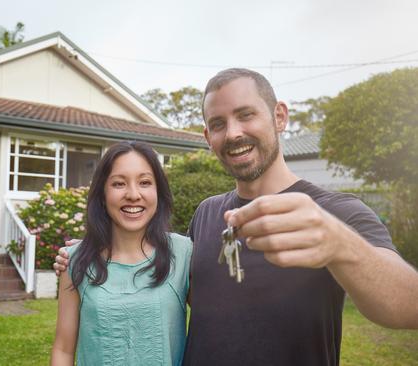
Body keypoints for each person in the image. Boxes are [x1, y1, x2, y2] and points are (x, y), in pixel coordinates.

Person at [54, 68, 418, 365]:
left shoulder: (337, 211)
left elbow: (408, 307)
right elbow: (181, 286)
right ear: (207, 136)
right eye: (217, 123)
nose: (233, 133)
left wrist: (342, 245)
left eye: (246, 115)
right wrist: (89, 254)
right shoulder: (209, 213)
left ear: (279, 116)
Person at [51, 141, 192, 366]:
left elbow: (217, 324)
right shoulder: (74, 260)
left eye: (145, 182)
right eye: (119, 184)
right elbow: (63, 349)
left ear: (158, 191)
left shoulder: (184, 253)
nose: (133, 194)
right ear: (102, 194)